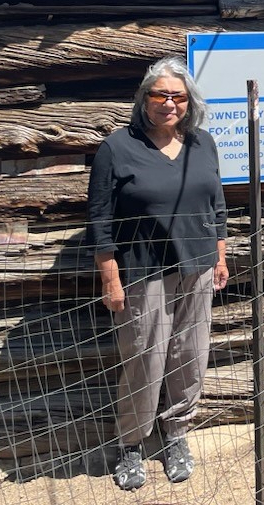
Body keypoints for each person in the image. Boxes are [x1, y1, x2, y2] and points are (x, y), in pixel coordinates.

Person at [87, 56, 229, 491]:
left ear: (190, 102)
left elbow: (217, 207)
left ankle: (176, 433)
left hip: (199, 266)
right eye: (160, 95)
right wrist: (110, 277)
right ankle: (131, 444)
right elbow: (100, 219)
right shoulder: (118, 147)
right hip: (143, 272)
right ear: (144, 99)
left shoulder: (203, 143)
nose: (169, 103)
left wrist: (220, 257)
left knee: (190, 356)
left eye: (178, 96)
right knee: (144, 359)